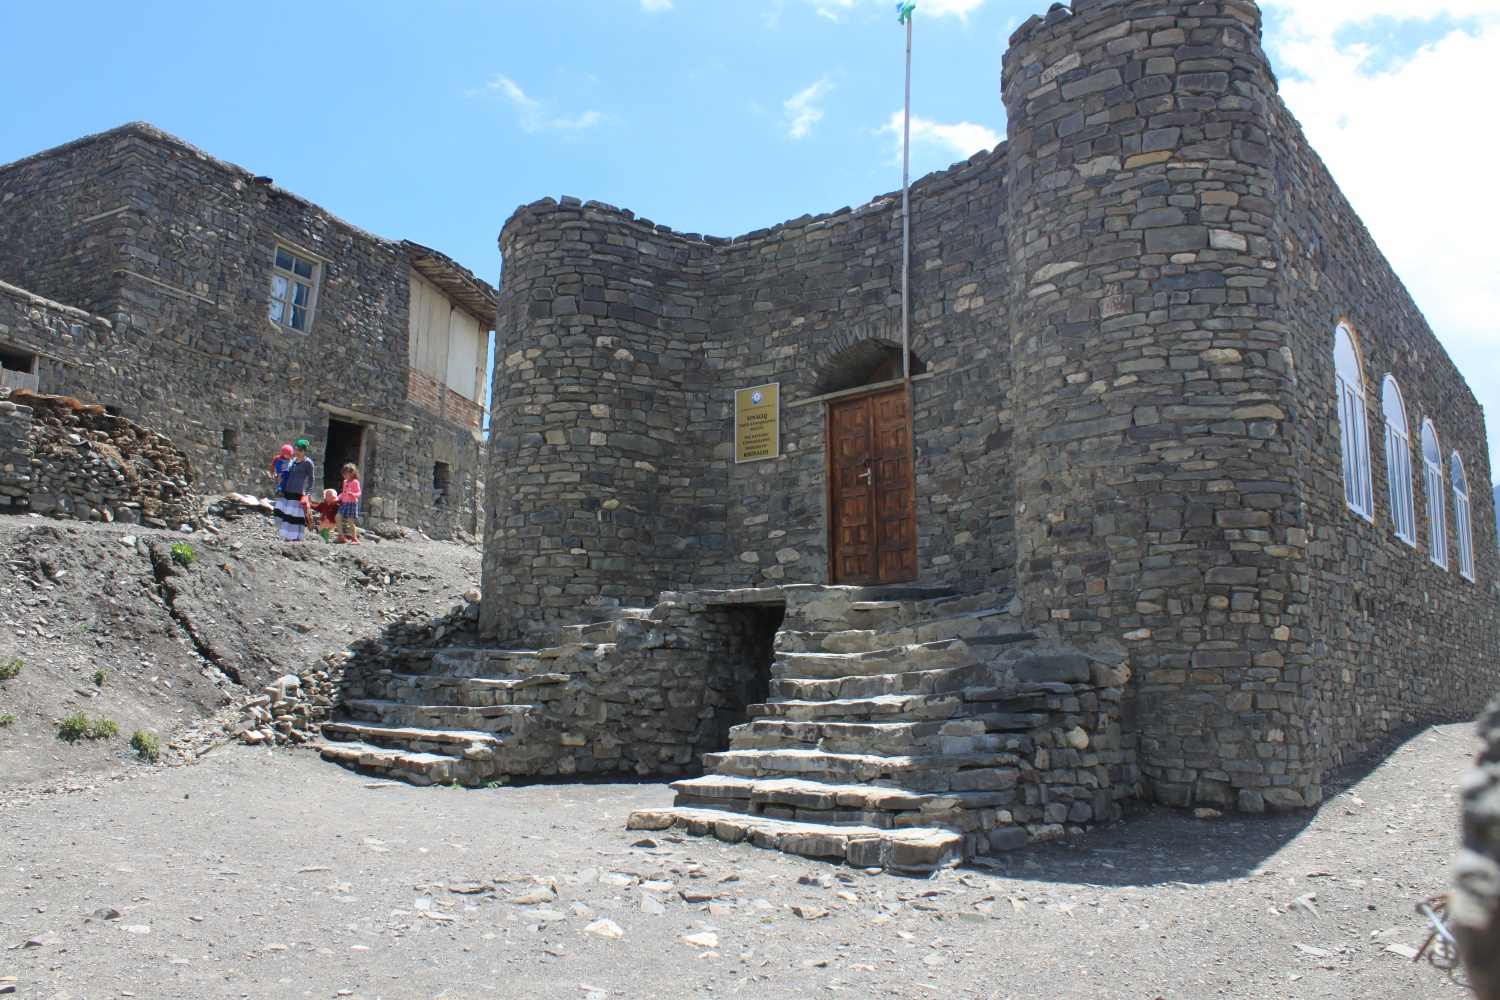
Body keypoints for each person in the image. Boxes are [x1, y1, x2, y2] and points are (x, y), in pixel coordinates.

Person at [273, 440, 316, 541]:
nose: (297, 452)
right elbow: (286, 473)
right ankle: (286, 534)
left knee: (293, 515)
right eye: (296, 450)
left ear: (304, 451)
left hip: (297, 491)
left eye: (299, 450)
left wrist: (309, 492)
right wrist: (278, 478)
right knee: (281, 510)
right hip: (287, 489)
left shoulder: (308, 463)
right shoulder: (293, 461)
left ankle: (293, 536)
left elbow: (311, 478)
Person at [337, 463, 362, 544]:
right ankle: (341, 536)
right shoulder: (345, 482)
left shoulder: (355, 482)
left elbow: (359, 493)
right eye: (344, 474)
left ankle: (354, 539)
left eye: (346, 474)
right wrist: (338, 498)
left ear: (351, 474)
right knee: (337, 518)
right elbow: (343, 492)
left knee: (350, 521)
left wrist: (353, 495)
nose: (344, 476)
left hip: (352, 504)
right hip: (344, 503)